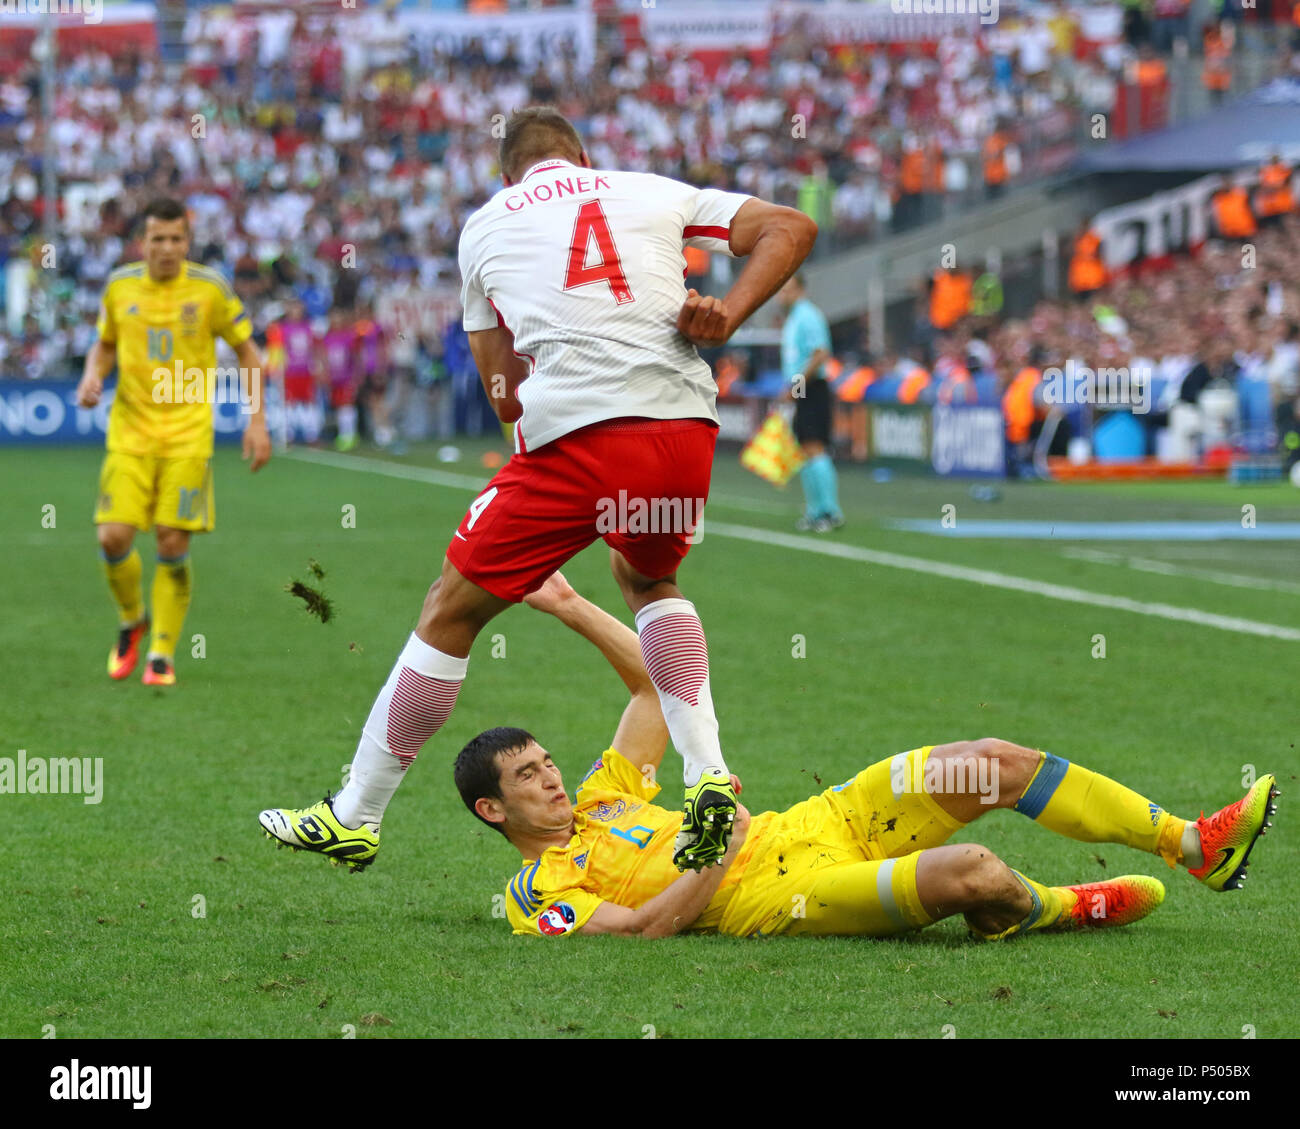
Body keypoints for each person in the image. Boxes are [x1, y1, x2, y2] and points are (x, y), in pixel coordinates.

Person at [259, 106, 818, 872]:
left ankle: (356, 812)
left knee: (450, 607)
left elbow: (502, 387)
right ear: (584, 158)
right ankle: (709, 773)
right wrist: (726, 313)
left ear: (506, 174)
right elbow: (791, 227)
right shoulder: (652, 188)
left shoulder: (486, 225)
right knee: (650, 577)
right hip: (682, 427)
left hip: (578, 436)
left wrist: (534, 428)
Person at [458, 573, 1278, 940]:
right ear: (492, 810)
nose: (553, 776)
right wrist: (720, 855)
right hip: (787, 893)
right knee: (974, 872)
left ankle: (1195, 843)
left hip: (823, 818)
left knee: (993, 761)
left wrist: (569, 605)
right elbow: (638, 931)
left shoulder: (604, 795)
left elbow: (650, 690)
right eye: (528, 776)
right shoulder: (538, 890)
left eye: (547, 761)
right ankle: (1061, 906)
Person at [76, 197, 271, 687]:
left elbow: (249, 353)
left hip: (187, 438)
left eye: (175, 239)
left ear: (187, 241)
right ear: (142, 242)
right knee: (112, 536)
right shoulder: (120, 286)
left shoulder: (209, 289)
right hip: (129, 433)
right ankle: (131, 620)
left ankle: (161, 652)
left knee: (170, 540)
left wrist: (257, 421)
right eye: (157, 239)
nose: (166, 248)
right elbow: (103, 344)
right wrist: (91, 376)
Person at [778, 274, 842, 533]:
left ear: (801, 290)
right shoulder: (794, 317)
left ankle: (830, 511)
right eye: (781, 291)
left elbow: (820, 352)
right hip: (804, 388)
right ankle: (815, 510)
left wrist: (798, 385)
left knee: (815, 447)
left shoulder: (808, 315)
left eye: (788, 290)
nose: (783, 295)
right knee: (805, 448)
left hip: (812, 387)